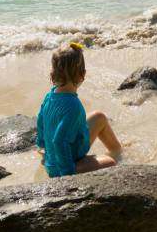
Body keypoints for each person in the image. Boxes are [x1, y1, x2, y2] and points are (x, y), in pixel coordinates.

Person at [36, 42, 121, 177]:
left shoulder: (50, 95)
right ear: (82, 75)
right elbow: (59, 141)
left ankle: (118, 150)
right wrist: (67, 173)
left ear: (53, 74)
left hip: (53, 154)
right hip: (62, 166)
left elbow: (40, 120)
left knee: (99, 117)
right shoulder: (73, 106)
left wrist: (42, 145)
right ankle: (115, 155)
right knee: (110, 162)